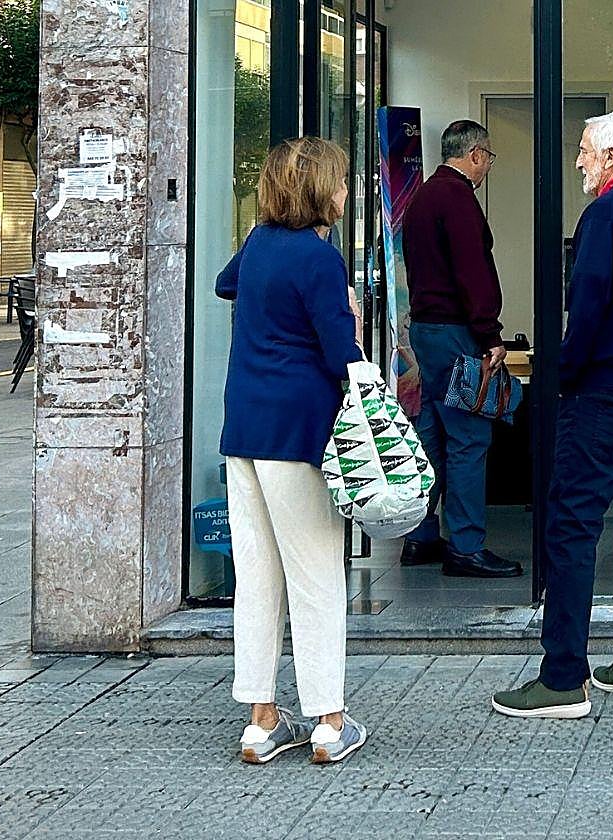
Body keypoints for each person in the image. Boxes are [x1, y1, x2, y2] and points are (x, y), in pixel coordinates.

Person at [492, 111, 613, 719]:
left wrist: (562, 377)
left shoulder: (604, 215)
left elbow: (587, 309)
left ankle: (563, 677)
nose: (577, 160)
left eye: (583, 150)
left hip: (603, 398)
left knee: (571, 529)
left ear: (608, 157)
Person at [216, 136, 368, 765]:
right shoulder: (318, 258)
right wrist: (352, 328)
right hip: (297, 431)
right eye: (338, 182)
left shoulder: (257, 246)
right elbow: (340, 351)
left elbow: (227, 283)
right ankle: (329, 721)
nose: (346, 191)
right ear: (318, 192)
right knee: (314, 575)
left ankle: (260, 720)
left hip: (243, 428)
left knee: (255, 576)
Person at [398, 119, 522, 578]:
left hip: (425, 332)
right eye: (488, 156)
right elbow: (472, 272)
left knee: (430, 432)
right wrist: (490, 335)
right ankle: (467, 545)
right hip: (456, 334)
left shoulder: (421, 197)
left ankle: (420, 534)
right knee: (470, 437)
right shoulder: (459, 200)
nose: (488, 165)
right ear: (473, 154)